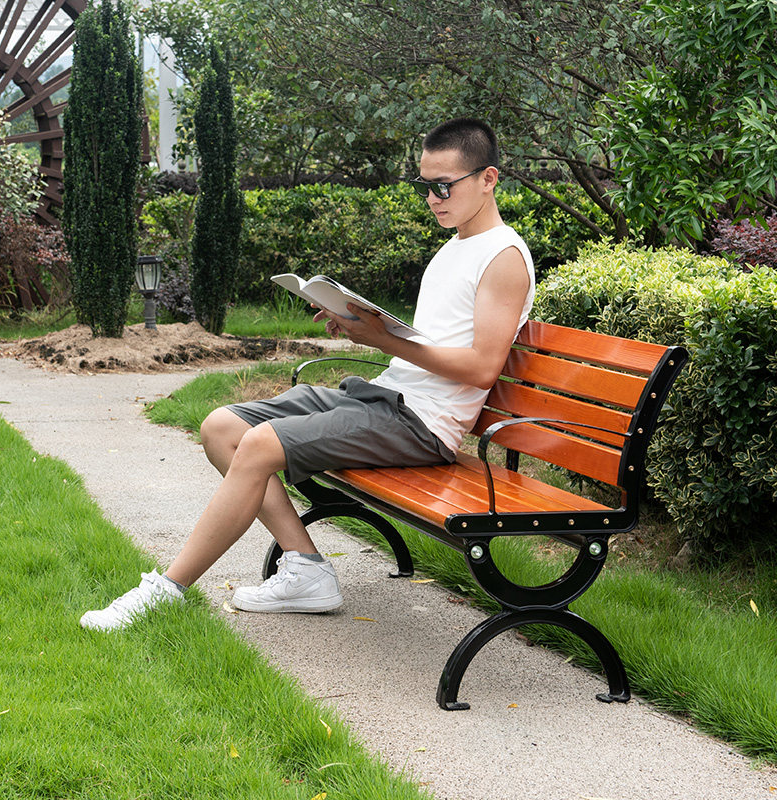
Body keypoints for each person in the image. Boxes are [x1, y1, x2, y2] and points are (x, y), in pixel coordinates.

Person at [80, 117, 536, 631]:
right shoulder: (455, 246)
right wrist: (365, 324)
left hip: (423, 424)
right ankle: (307, 569)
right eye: (423, 186)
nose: (432, 199)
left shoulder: (502, 257)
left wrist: (382, 339)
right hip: (386, 398)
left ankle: (165, 591)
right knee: (222, 428)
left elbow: (482, 369)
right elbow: (433, 342)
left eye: (443, 186)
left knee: (259, 445)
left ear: (488, 179)